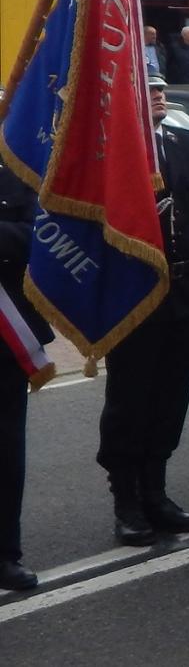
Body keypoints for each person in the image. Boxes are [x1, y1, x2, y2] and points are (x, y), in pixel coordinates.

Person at [98, 64, 189, 547]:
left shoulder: (187, 145)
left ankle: (156, 492)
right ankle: (126, 499)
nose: (161, 95)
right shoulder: (111, 153)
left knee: (171, 395)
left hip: (182, 292)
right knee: (130, 400)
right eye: (149, 89)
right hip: (132, 294)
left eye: (163, 87)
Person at [0, 166, 52, 592]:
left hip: (4, 336)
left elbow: (37, 237)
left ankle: (4, 553)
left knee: (5, 450)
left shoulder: (14, 171)